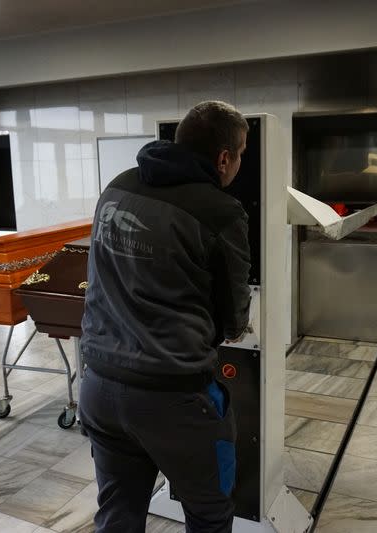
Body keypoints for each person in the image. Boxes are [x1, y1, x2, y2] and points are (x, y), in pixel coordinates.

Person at [79, 100, 252, 533]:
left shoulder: (117, 187)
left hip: (99, 386)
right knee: (209, 514)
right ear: (224, 158)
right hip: (174, 399)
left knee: (118, 513)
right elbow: (234, 320)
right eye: (242, 153)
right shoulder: (220, 212)